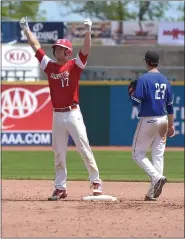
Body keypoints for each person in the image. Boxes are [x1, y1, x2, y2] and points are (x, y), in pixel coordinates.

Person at [19, 17, 102, 200]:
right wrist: (26, 29)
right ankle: (60, 188)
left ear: (68, 51)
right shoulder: (49, 66)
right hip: (57, 115)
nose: (56, 50)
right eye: (56, 48)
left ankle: (96, 181)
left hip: (73, 113)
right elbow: (36, 46)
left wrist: (88, 31)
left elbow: (86, 50)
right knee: (58, 152)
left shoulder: (74, 65)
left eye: (60, 48)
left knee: (83, 147)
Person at [129, 51, 175, 201]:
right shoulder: (165, 80)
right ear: (158, 62)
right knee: (158, 155)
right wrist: (171, 125)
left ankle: (157, 177)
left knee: (137, 154)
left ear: (147, 62)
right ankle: (151, 193)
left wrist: (131, 92)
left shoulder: (144, 78)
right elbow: (170, 106)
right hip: (163, 120)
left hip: (149, 120)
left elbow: (137, 101)